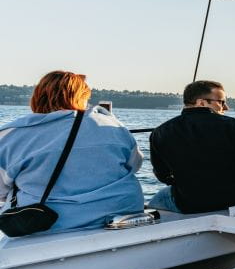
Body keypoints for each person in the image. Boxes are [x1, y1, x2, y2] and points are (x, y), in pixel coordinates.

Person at [0, 71, 144, 233]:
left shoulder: (12, 134)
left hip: (50, 224)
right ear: (82, 97)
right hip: (123, 215)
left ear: (37, 96)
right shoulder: (112, 125)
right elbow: (135, 164)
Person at [148, 80, 235, 213]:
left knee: (155, 203)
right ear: (201, 102)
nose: (226, 107)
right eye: (221, 102)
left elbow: (162, 174)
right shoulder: (234, 126)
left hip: (189, 201)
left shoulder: (160, 132)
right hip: (234, 198)